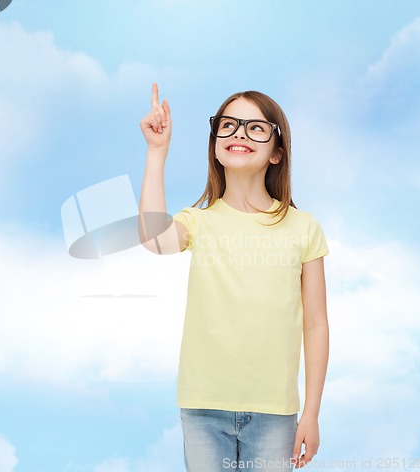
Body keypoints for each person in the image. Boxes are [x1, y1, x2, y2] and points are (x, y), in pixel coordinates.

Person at [139, 83, 329, 471]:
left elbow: (315, 324)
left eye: (256, 127)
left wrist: (310, 413)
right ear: (215, 144)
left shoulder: (303, 228)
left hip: (276, 411)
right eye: (228, 125)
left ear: (277, 152)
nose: (239, 133)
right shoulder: (199, 222)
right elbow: (155, 241)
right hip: (203, 406)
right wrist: (157, 152)